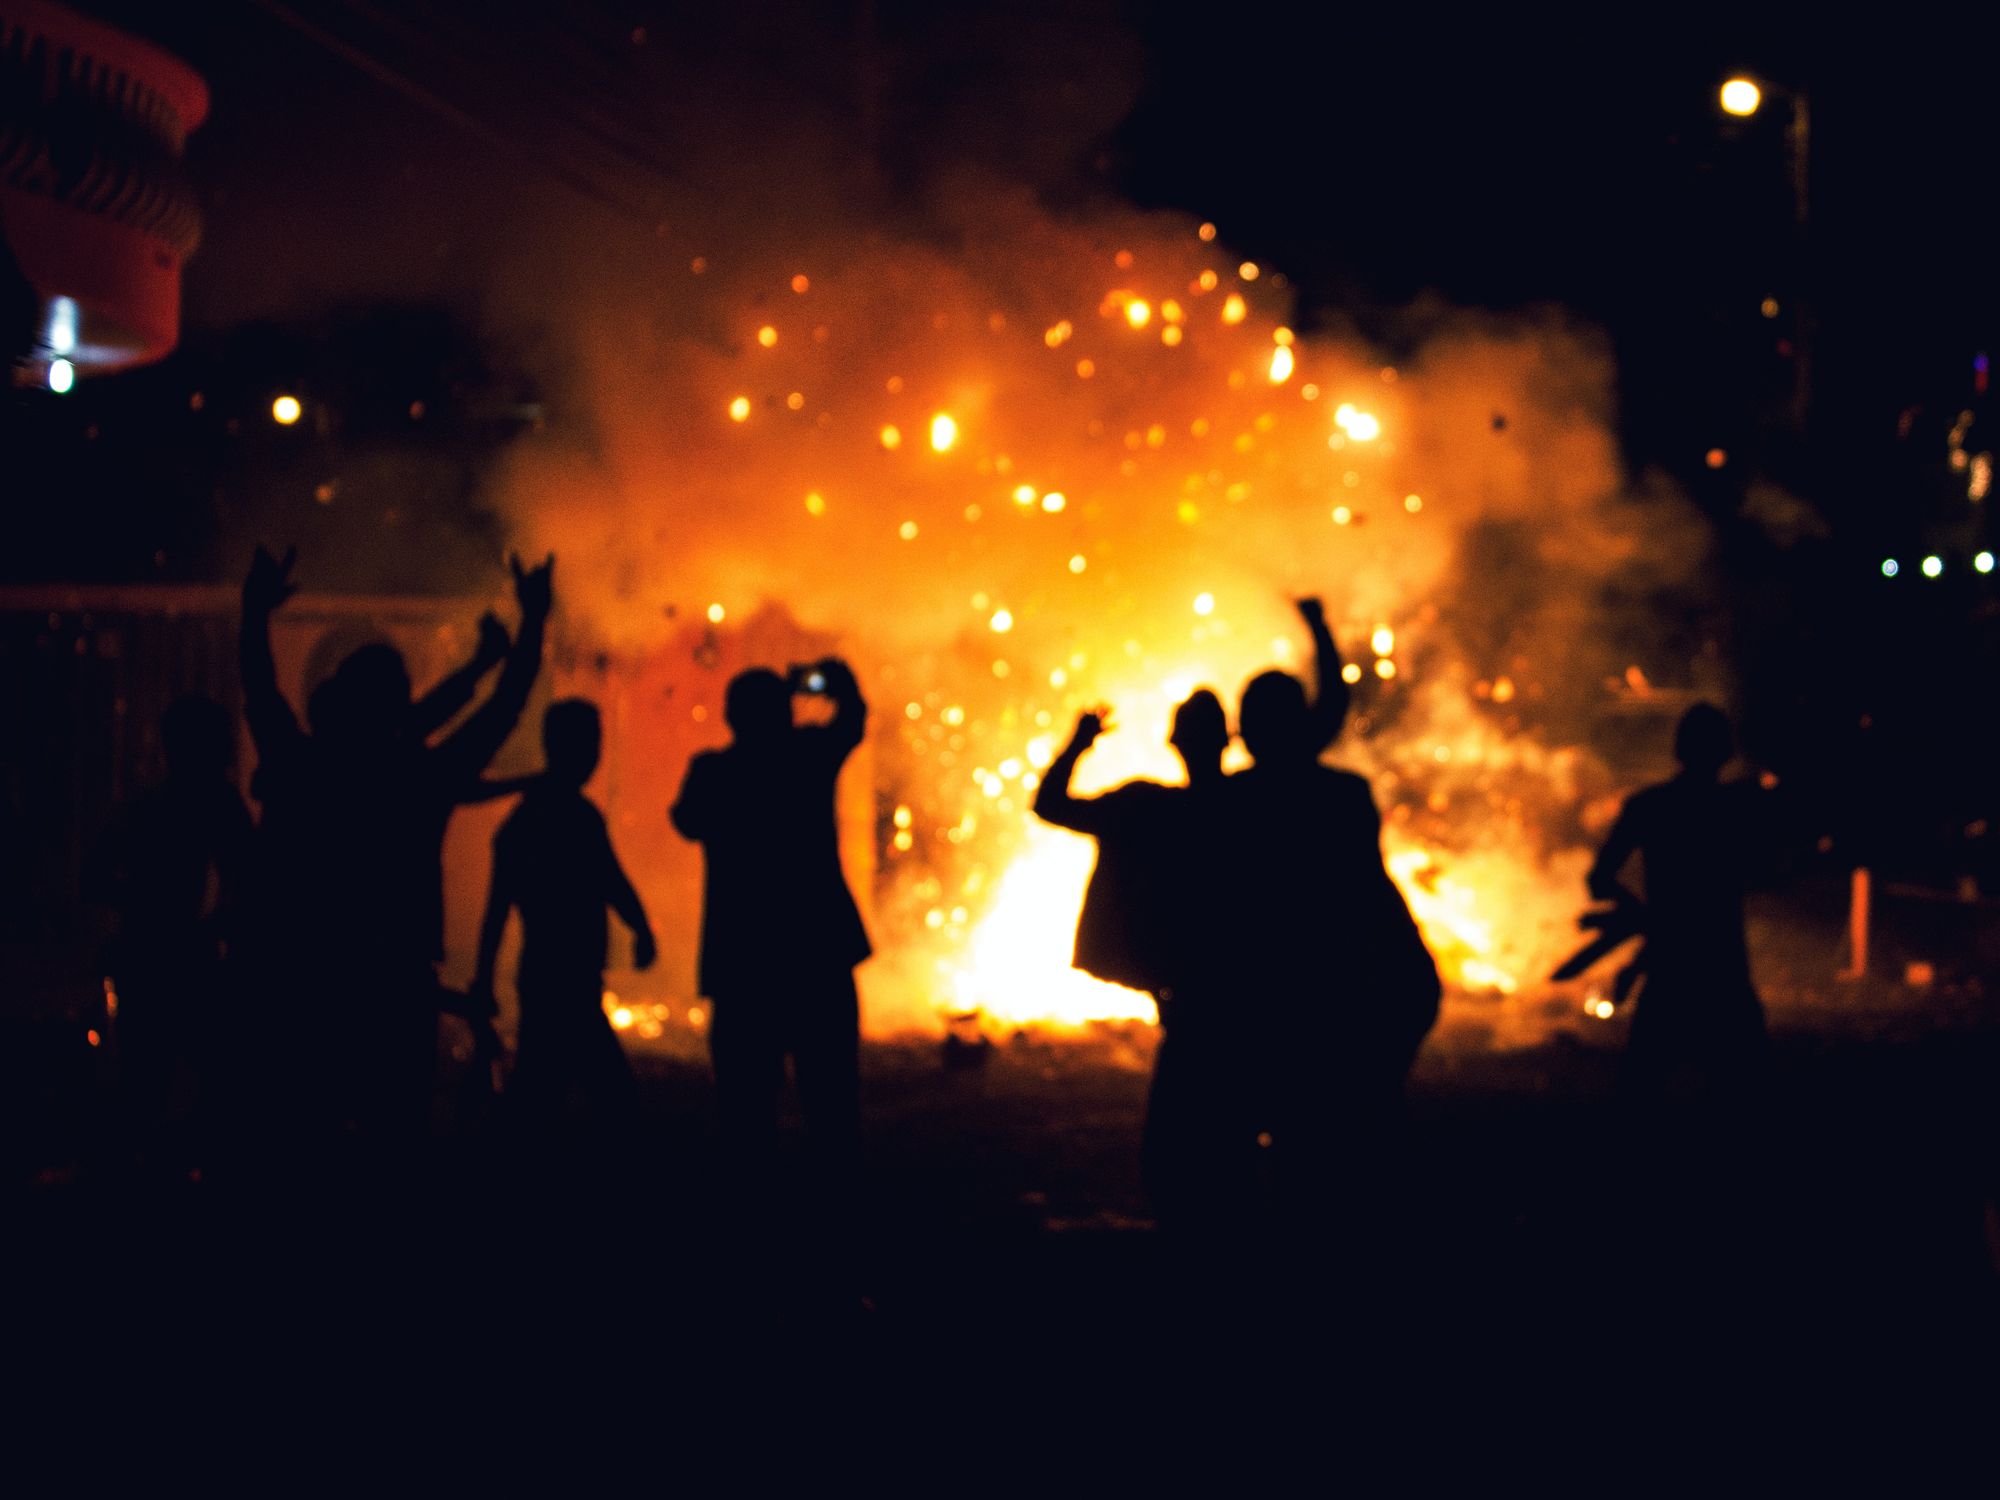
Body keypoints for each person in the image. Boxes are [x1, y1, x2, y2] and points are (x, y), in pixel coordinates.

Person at [1033, 597, 1352, 1224]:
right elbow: (1323, 723)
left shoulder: (1145, 808)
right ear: (1230, 739)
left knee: (1182, 1145)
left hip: (1198, 1001)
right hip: (1257, 996)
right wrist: (1319, 631)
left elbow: (1049, 805)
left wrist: (1078, 744)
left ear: (1174, 737)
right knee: (1266, 1135)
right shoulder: (1254, 802)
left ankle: (1204, 1248)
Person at [236, 545, 553, 1161]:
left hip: (308, 977)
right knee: (394, 1140)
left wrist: (254, 613)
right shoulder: (418, 777)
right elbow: (503, 713)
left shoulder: (303, 767)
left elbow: (259, 688)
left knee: (303, 1138)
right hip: (395, 983)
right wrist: (532, 622)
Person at [1227, 626, 1439, 1227]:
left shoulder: (1236, 801)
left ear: (1247, 732)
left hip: (1306, 989)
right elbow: (1325, 724)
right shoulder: (1343, 793)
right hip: (1362, 979)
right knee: (1351, 1134)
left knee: (1303, 1139)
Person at [669, 658, 870, 1209]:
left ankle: (753, 1224)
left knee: (746, 1111)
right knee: (832, 1106)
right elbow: (852, 720)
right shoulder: (807, 756)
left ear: (732, 716)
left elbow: (685, 821)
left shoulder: (714, 772)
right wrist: (830, 679)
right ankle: (838, 1223)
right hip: (817, 959)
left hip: (743, 966)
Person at [469, 700, 658, 1142]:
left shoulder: (526, 821)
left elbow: (497, 910)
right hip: (566, 980)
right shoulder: (574, 818)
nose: (594, 755)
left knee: (539, 1092)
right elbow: (610, 880)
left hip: (543, 975)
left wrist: (484, 979)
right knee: (604, 1098)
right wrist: (640, 927)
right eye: (590, 744)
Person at [86, 696, 253, 1172]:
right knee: (215, 1075)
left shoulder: (147, 805)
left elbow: (95, 876)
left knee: (146, 1077)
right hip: (181, 956)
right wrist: (211, 929)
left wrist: (142, 909)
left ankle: (138, 1177)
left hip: (147, 954)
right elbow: (248, 875)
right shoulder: (215, 802)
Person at [1579, 702, 1769, 1105]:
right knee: (1742, 1091)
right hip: (1723, 970)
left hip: (1672, 968)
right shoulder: (1738, 809)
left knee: (1644, 1091)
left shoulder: (1651, 806)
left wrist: (1645, 915)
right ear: (1725, 753)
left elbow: (1599, 879)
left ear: (1679, 750)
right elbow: (1768, 874)